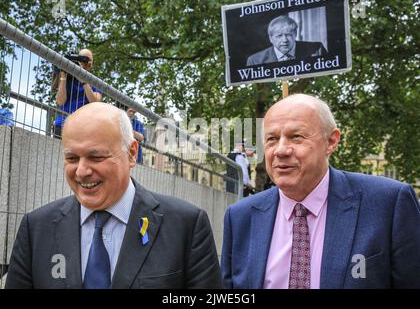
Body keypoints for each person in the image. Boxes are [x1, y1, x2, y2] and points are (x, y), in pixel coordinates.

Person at [6, 102, 222, 289]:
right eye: (72, 158)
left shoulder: (186, 226)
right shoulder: (35, 228)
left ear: (131, 153)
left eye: (96, 156)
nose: (81, 171)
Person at [221, 94, 420, 289]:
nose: (280, 150)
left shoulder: (388, 204)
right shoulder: (240, 217)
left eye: (296, 137)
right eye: (272, 139)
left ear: (331, 142)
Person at [53, 48, 102, 138]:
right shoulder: (68, 78)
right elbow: (60, 101)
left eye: (87, 59)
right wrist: (63, 75)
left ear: (91, 64)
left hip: (83, 126)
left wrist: (83, 80)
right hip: (62, 124)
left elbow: (95, 101)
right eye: (82, 59)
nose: (85, 62)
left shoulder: (95, 81)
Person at [246, 15, 327, 66]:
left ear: (295, 34)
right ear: (271, 39)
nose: (285, 40)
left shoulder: (316, 49)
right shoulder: (255, 61)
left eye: (288, 35)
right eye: (279, 36)